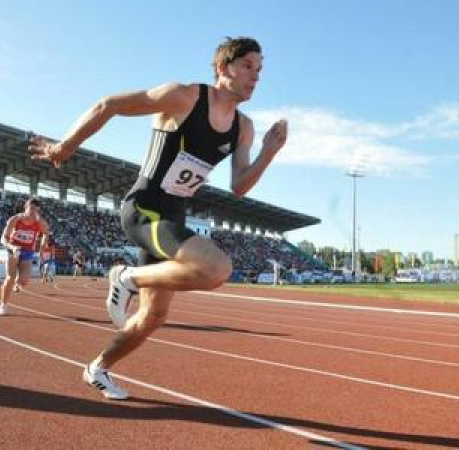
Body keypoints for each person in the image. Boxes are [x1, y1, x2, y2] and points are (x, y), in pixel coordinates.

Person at [29, 37, 287, 399]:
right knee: (216, 268)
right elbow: (110, 104)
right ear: (222, 68)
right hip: (144, 208)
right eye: (247, 66)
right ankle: (125, 277)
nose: (255, 76)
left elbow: (240, 186)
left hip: (173, 218)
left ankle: (97, 368)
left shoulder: (243, 127)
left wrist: (268, 154)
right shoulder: (183, 97)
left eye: (259, 70)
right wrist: (65, 146)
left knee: (153, 316)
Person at [0, 198, 50, 316]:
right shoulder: (15, 219)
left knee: (24, 281)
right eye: (31, 208)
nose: (33, 212)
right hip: (14, 249)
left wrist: (42, 246)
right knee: (10, 277)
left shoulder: (40, 222)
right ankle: (3, 305)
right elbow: (3, 238)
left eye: (36, 210)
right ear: (26, 207)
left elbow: (46, 233)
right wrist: (12, 247)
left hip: (28, 252)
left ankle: (17, 283)